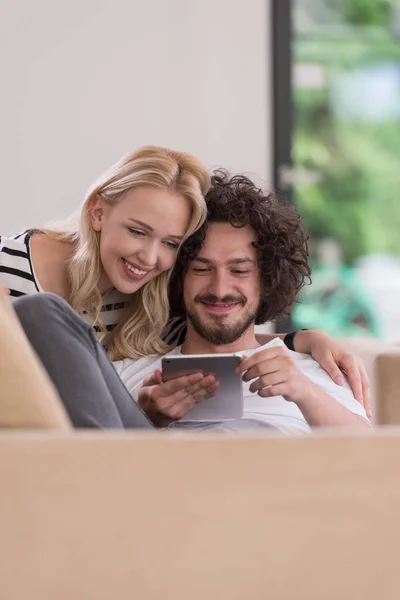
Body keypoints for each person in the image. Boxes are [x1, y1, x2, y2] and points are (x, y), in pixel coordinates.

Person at [4, 172, 370, 430]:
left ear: (268, 279)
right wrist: (150, 416)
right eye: (201, 268)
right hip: (147, 485)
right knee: (42, 310)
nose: (219, 287)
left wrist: (302, 389)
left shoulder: (310, 367)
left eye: (239, 271)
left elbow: (373, 457)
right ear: (178, 277)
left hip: (262, 496)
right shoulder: (135, 367)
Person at [0, 146, 210, 360]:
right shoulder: (6, 265)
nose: (149, 258)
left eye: (170, 243)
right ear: (98, 212)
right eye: (137, 232)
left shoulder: (154, 312)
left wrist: (247, 355)